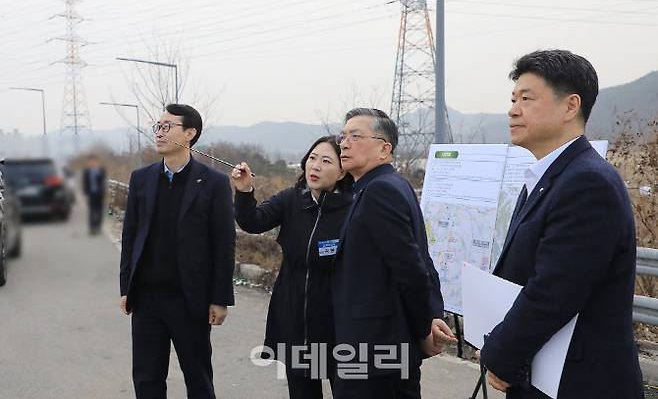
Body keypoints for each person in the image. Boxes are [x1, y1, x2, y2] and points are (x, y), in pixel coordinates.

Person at [479, 50, 644, 398]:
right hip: (546, 373)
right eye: (512, 99)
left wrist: (501, 353)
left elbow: (553, 291)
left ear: (570, 106)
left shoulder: (587, 183)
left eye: (527, 98)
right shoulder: (550, 175)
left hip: (581, 382)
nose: (512, 109)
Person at [332, 108, 456, 399]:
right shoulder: (386, 185)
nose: (345, 143)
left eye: (356, 136)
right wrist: (431, 315)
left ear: (384, 149)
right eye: (343, 136)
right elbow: (420, 260)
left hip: (375, 348)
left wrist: (424, 329)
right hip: (382, 344)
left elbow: (410, 268)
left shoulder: (379, 191)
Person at [118, 103, 236, 399]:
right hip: (146, 298)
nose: (158, 132)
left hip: (190, 299)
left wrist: (220, 298)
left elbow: (223, 244)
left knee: (198, 378)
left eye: (167, 126)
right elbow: (130, 235)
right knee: (146, 379)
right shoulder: (141, 179)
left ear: (190, 134)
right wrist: (125, 287)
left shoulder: (214, 183)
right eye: (157, 126)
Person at [231, 136, 354, 399]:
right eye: (312, 158)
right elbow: (253, 221)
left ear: (343, 170)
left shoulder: (354, 207)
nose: (316, 166)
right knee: (302, 391)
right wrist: (244, 191)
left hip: (337, 322)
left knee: (347, 389)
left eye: (326, 161)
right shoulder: (291, 200)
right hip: (295, 315)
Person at [82, 154, 106, 235]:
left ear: (97, 161)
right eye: (91, 161)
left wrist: (98, 171)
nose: (92, 163)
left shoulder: (101, 170)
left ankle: (98, 226)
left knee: (99, 211)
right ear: (89, 162)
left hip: (99, 194)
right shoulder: (86, 172)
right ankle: (92, 228)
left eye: (94, 161)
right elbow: (85, 183)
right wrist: (85, 194)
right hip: (91, 194)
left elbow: (103, 180)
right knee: (92, 211)